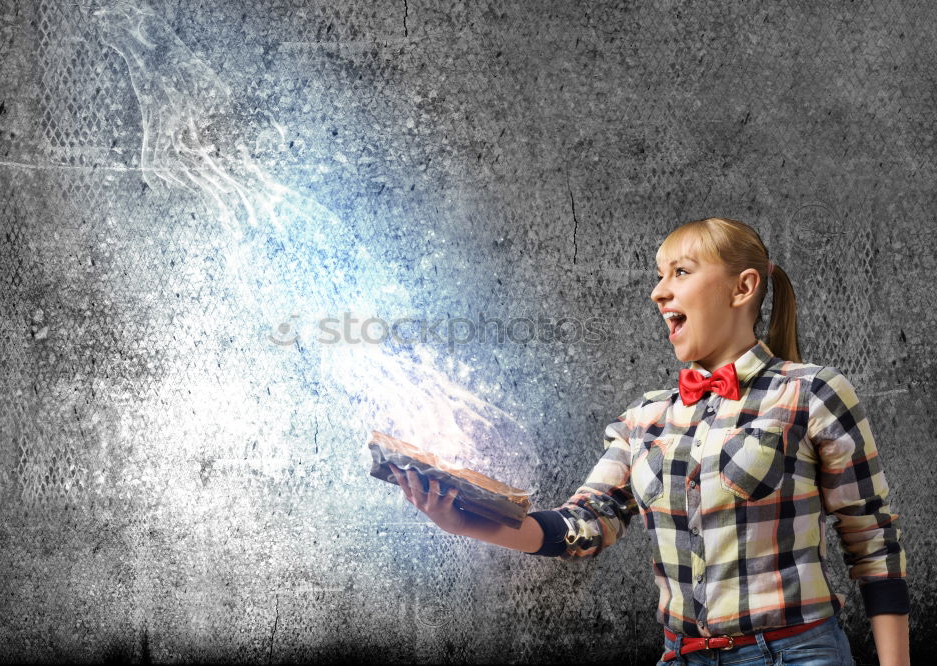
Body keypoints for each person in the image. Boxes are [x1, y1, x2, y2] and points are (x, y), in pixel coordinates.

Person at [387, 217, 910, 665]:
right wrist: (467, 521)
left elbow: (872, 540)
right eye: (660, 277)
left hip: (795, 653)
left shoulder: (811, 391)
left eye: (680, 274)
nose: (659, 291)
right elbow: (585, 524)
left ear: (743, 287)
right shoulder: (646, 416)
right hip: (681, 654)